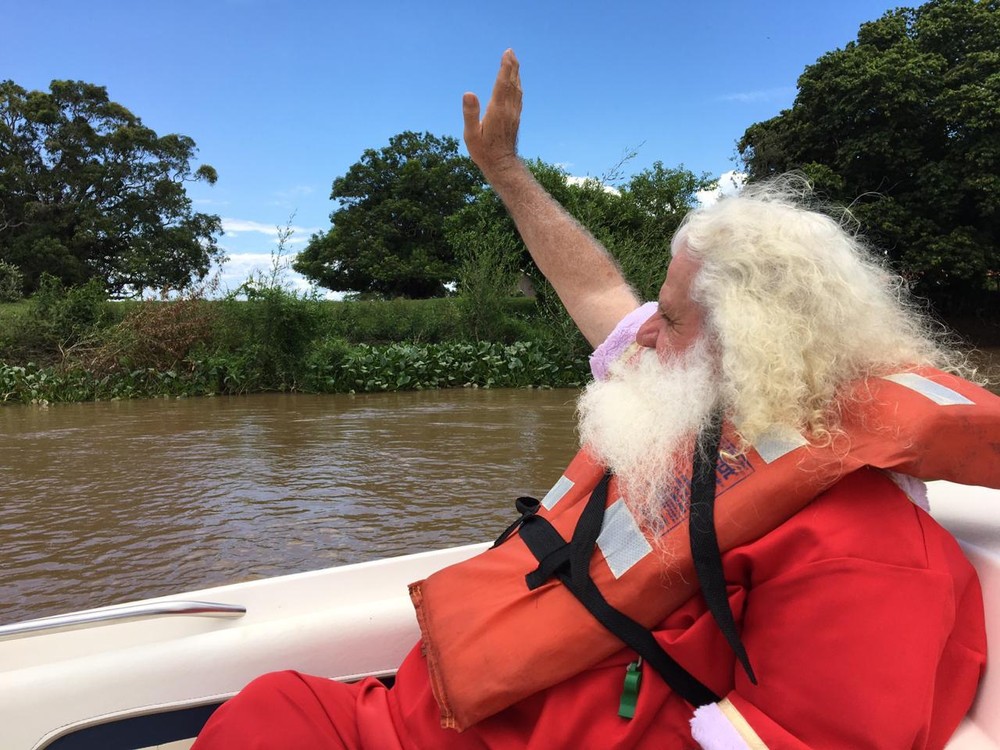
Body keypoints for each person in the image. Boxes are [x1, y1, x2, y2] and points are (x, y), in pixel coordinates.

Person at [193, 50, 989, 749]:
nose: (641, 336)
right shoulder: (710, 401)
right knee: (272, 706)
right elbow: (599, 289)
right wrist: (504, 171)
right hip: (431, 715)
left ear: (749, 345)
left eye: (667, 319)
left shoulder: (869, 552)